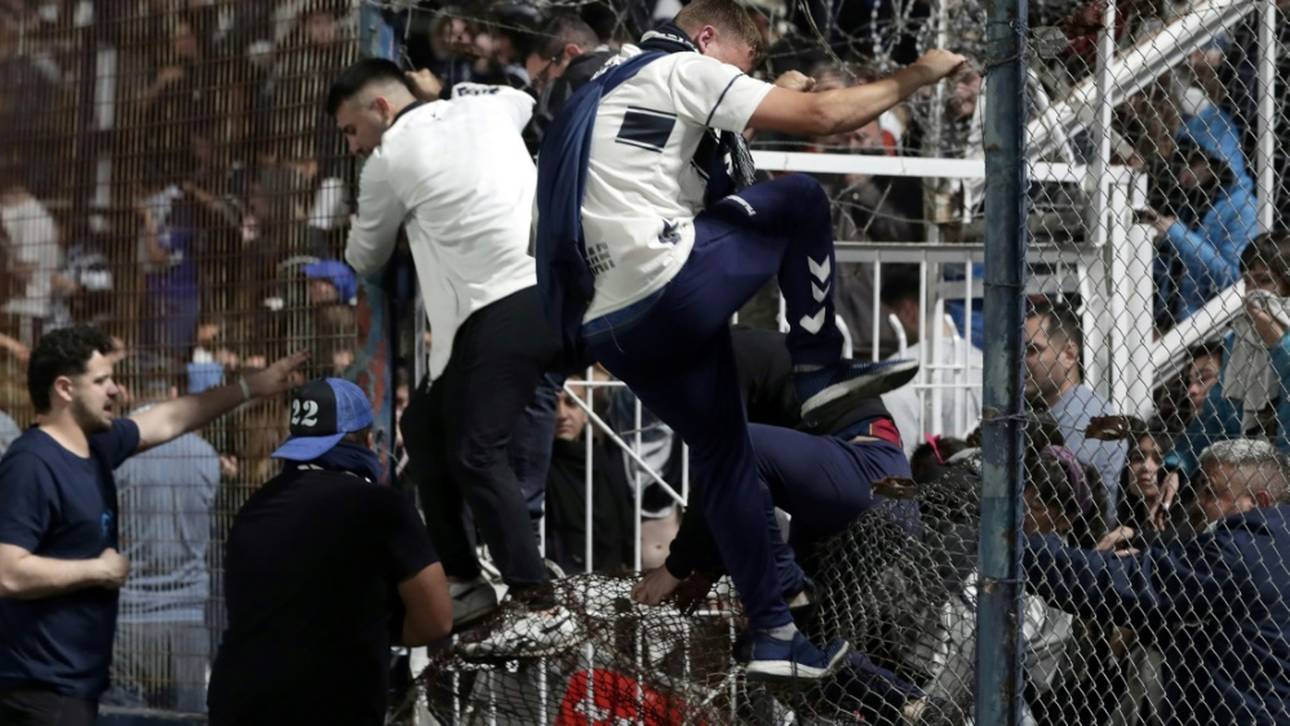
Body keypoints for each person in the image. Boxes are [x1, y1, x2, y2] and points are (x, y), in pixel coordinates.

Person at [535, 0, 962, 681]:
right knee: (799, 201)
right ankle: (820, 373)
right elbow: (827, 120)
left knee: (725, 452)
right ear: (706, 39)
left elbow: (708, 173)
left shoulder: (609, 85)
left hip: (607, 324)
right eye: (747, 67)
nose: (746, 80)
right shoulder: (681, 67)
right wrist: (920, 74)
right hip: (662, 283)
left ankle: (775, 630)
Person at [328, 58, 566, 643]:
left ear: (381, 108)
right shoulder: (487, 106)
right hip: (539, 298)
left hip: (499, 309)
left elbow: (364, 257)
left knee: (476, 452)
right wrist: (449, 91)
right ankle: (463, 578)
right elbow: (525, 101)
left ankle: (538, 604)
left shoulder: (389, 161)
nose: (354, 147)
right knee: (424, 424)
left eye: (352, 131)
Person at [0, 325, 305, 725]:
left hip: (74, 685)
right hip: (40, 692)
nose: (115, 390)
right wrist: (97, 569)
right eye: (101, 380)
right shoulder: (31, 464)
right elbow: (8, 571)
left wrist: (250, 388)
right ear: (64, 389)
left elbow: (170, 418)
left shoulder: (96, 447)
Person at [206, 378, 450, 725]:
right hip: (332, 705)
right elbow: (436, 620)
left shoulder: (256, 506)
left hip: (239, 703)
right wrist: (376, 626)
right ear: (368, 441)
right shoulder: (382, 507)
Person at [1025, 438, 1290, 724]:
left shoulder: (1240, 552)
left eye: (1213, 492)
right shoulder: (1274, 541)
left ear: (1259, 502)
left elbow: (1121, 583)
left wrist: (1022, 550)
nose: (1200, 501)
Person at [106, 374, 220, 713]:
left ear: (127, 392)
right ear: (173, 394)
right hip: (187, 615)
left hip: (129, 616)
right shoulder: (205, 455)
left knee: (124, 717)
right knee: (188, 717)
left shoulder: (117, 454)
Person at [1025, 299, 1127, 519]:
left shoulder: (1088, 415)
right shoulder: (1081, 409)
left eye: (1034, 350)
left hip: (1075, 545)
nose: (1023, 361)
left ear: (1069, 354)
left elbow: (1056, 497)